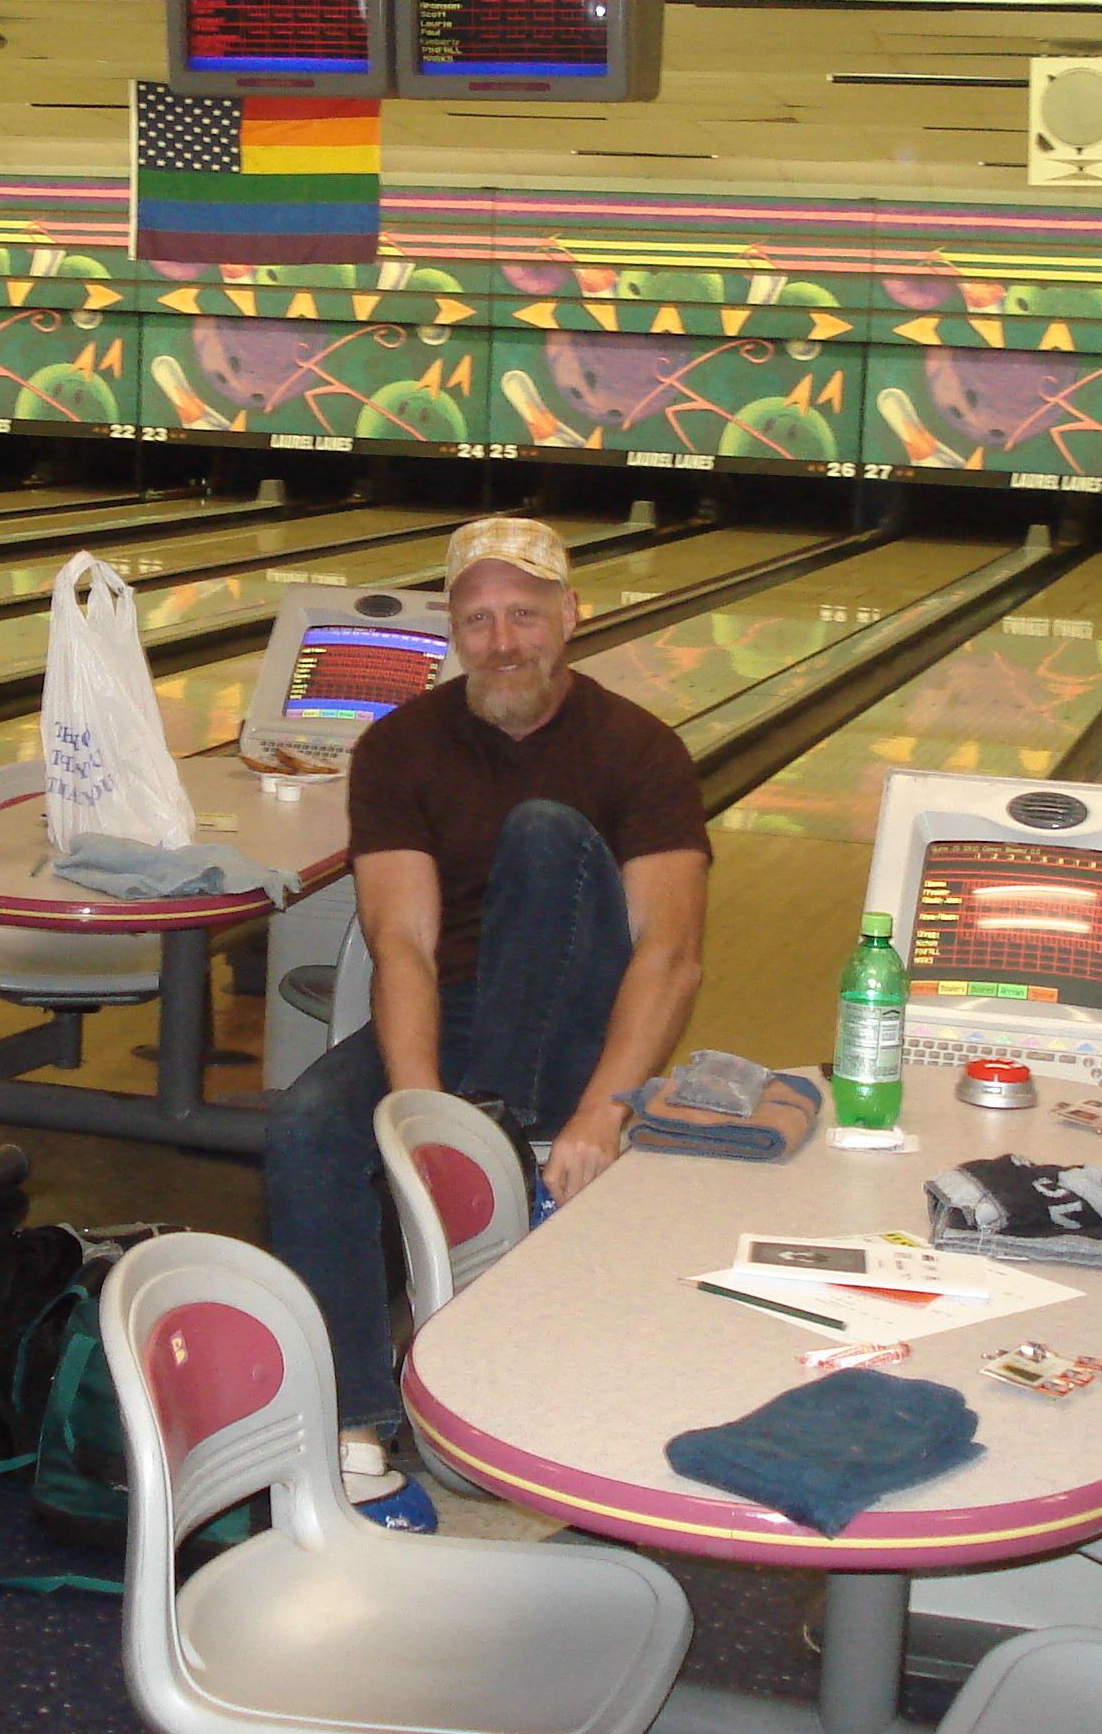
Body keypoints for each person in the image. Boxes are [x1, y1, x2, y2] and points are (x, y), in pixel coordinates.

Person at [264, 517, 711, 1529]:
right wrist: (419, 1112)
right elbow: (402, 946)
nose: (503, 641)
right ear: (451, 631)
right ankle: (355, 1429)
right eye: (477, 620)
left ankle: (502, 1153)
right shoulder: (399, 747)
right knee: (306, 1126)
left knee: (544, 834)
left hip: (587, 1020)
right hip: (457, 1015)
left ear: (570, 615)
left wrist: (603, 1112)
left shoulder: (639, 748)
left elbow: (670, 955)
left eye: (524, 614)